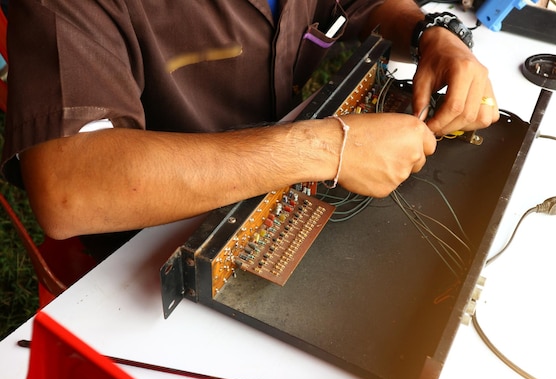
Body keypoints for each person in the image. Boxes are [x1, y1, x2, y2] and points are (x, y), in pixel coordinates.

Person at [1, 0, 499, 261]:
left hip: (286, 183)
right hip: (153, 244)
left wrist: (430, 33)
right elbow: (71, 186)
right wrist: (328, 144)